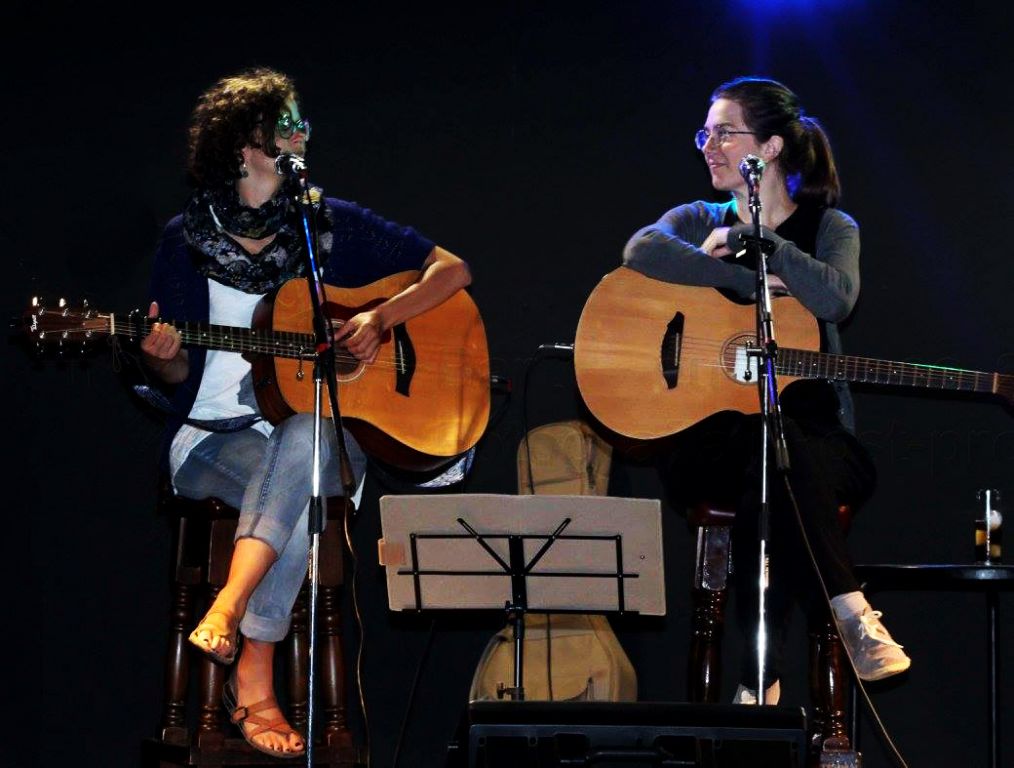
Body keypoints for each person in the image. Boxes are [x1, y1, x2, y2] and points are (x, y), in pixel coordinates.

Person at [141, 67, 471, 756]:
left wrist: (381, 317)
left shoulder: (329, 223)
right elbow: (172, 373)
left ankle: (232, 612)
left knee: (309, 437)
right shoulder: (185, 238)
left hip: (317, 434)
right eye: (284, 123)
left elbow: (452, 270)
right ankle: (255, 673)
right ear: (242, 145)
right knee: (299, 482)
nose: (301, 133)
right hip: (209, 438)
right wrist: (160, 354)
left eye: (303, 122)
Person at [622, 76, 910, 704]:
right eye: (707, 132)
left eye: (725, 132)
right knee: (762, 448)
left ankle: (759, 688)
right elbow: (641, 250)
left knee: (778, 456)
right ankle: (851, 608)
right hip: (711, 440)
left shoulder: (832, 227)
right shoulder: (698, 218)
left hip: (814, 432)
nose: (709, 145)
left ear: (771, 148)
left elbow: (836, 295)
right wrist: (745, 283)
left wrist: (767, 246)